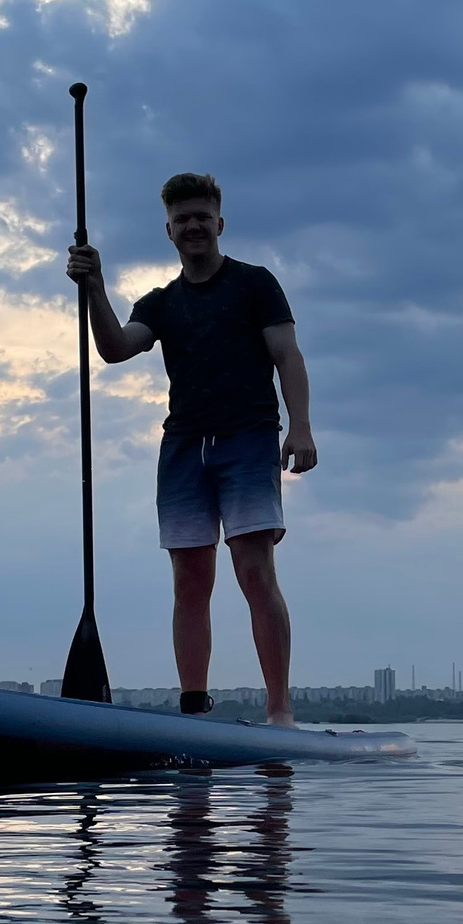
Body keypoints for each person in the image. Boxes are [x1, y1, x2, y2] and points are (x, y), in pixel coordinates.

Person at [65, 172, 316, 728]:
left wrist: (300, 427)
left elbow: (288, 355)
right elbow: (114, 348)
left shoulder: (256, 284)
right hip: (182, 448)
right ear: (169, 231)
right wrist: (95, 287)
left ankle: (280, 710)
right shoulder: (159, 302)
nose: (194, 226)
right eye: (183, 219)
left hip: (249, 440)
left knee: (254, 572)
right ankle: (194, 710)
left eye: (202, 216)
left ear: (219, 224)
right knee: (189, 581)